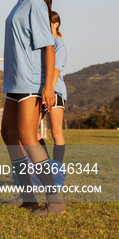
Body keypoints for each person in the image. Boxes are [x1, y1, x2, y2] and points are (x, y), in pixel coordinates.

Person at [0, 0, 64, 215]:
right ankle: (27, 195)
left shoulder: (36, 3)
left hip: (30, 83)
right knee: (8, 134)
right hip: (14, 83)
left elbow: (49, 47)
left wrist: (48, 87)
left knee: (28, 137)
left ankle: (55, 201)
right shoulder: (20, 3)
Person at [42, 11, 67, 164]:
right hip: (42, 90)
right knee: (31, 133)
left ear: (56, 24)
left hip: (54, 91)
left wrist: (49, 91)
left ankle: (57, 169)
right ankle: (44, 164)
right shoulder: (46, 43)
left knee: (56, 132)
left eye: (49, 22)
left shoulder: (59, 44)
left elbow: (56, 71)